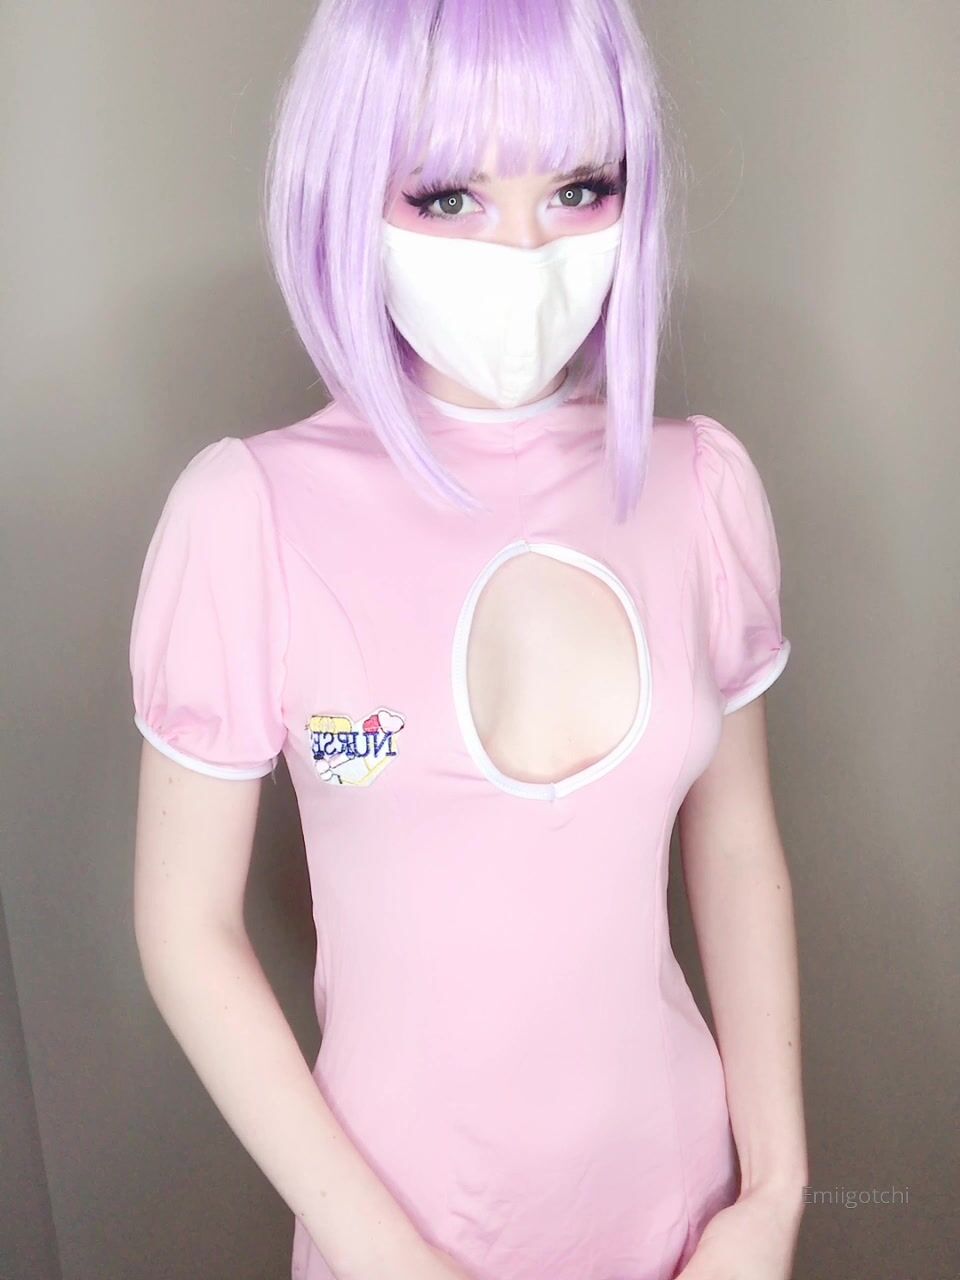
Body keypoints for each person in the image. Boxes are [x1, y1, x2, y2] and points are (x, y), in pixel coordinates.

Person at [129, 2, 808, 1278]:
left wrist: (772, 1194)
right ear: (350, 191)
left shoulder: (700, 487)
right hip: (401, 1227)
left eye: (578, 189)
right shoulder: (250, 513)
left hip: (689, 1211)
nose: (522, 251)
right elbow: (185, 924)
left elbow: (734, 843)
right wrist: (387, 1257)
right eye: (450, 197)